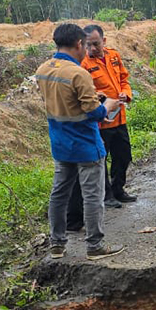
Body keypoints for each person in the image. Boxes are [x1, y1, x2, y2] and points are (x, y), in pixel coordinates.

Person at [35, 23, 123, 260]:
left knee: (59, 193)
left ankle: (57, 244)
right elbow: (95, 113)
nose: (88, 49)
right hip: (85, 144)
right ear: (78, 44)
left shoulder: (43, 69)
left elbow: (62, 102)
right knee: (93, 195)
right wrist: (108, 105)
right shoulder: (78, 73)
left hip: (60, 143)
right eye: (85, 44)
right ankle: (95, 245)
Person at [82, 25, 135, 208]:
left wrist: (125, 94)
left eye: (95, 44)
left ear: (104, 41)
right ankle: (107, 195)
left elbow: (124, 79)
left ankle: (118, 188)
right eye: (88, 45)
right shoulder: (84, 64)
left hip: (119, 117)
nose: (92, 49)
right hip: (101, 121)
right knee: (101, 160)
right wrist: (102, 96)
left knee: (124, 155)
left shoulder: (114, 56)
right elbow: (85, 91)